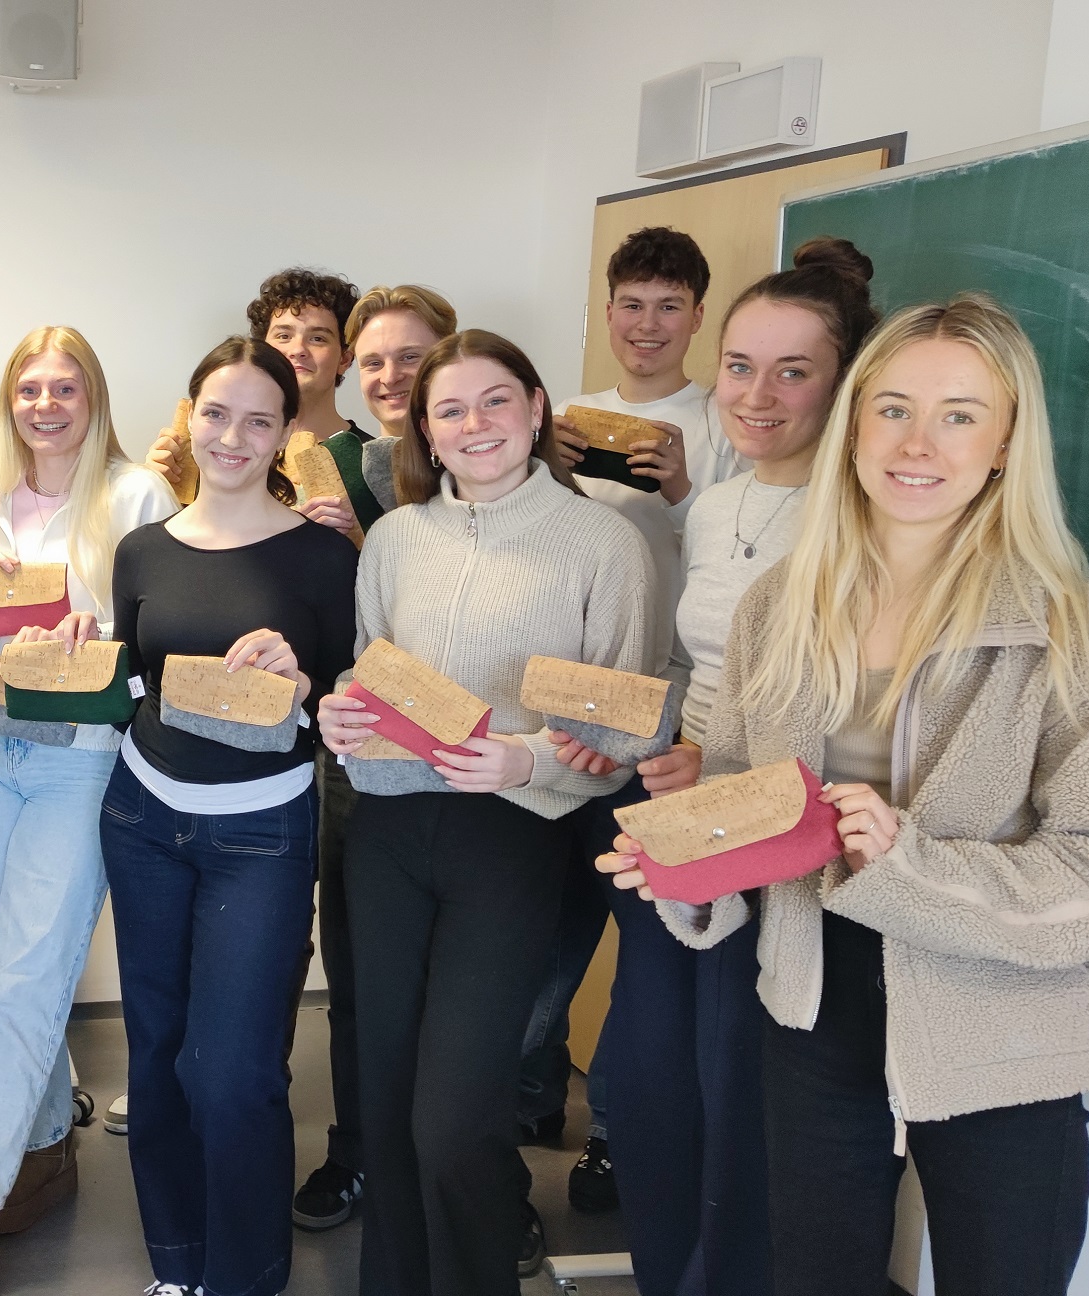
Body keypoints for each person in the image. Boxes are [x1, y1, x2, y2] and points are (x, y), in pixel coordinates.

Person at [600, 293, 1089, 1296]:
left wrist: (906, 867)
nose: (919, 443)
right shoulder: (783, 604)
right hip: (811, 1006)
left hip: (1005, 1035)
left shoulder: (1073, 637)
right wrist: (687, 863)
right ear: (856, 423)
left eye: (959, 414)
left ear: (1005, 443)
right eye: (895, 408)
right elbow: (741, 793)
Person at [561, 237, 881, 1295]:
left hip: (775, 850)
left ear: (843, 384)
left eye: (794, 371)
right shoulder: (716, 506)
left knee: (737, 1102)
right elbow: (691, 671)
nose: (757, 393)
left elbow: (849, 717)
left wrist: (719, 763)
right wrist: (622, 733)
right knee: (652, 1093)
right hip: (675, 822)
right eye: (742, 366)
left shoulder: (858, 530)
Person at [316, 330, 650, 1293]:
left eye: (495, 401)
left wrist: (523, 757)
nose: (475, 425)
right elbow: (370, 670)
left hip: (510, 840)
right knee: (385, 1097)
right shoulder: (396, 538)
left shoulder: (603, 543)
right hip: (382, 837)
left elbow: (619, 722)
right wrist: (341, 710)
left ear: (538, 407)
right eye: (450, 409)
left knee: (456, 1117)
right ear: (425, 429)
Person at [0, 326, 177, 1296]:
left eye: (65, 388)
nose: (46, 405)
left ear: (93, 398)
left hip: (80, 760)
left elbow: (160, 633)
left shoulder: (139, 496)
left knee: (27, 974)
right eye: (30, 388)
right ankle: (43, 1146)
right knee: (3, 961)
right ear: (9, 400)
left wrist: (95, 631)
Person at [100, 337, 358, 1296]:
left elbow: (347, 697)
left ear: (288, 432)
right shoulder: (141, 549)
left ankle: (246, 1277)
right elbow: (130, 681)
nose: (234, 437)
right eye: (217, 414)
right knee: (159, 1057)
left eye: (260, 419)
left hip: (262, 831)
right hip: (142, 817)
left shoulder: (324, 558)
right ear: (189, 416)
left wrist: (301, 682)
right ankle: (178, 1267)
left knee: (236, 1072)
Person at [520, 226, 742, 1201]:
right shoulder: (564, 416)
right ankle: (525, 1094)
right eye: (630, 304)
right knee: (539, 921)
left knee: (647, 931)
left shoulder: (726, 422)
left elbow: (741, 566)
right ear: (605, 312)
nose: (646, 325)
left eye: (668, 306)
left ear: (696, 316)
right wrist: (547, 465)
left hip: (671, 711)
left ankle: (616, 1125)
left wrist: (687, 486)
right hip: (565, 700)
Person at [284, 281, 458, 1232]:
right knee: (360, 971)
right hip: (360, 750)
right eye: (377, 358)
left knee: (476, 981)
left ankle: (468, 1167)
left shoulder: (480, 458)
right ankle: (361, 1154)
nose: (394, 376)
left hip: (477, 757)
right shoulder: (330, 461)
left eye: (416, 357)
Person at [145, 267, 363, 493]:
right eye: (284, 336)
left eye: (317, 338)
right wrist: (155, 488)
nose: (298, 349)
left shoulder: (367, 459)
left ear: (345, 359)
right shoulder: (211, 452)